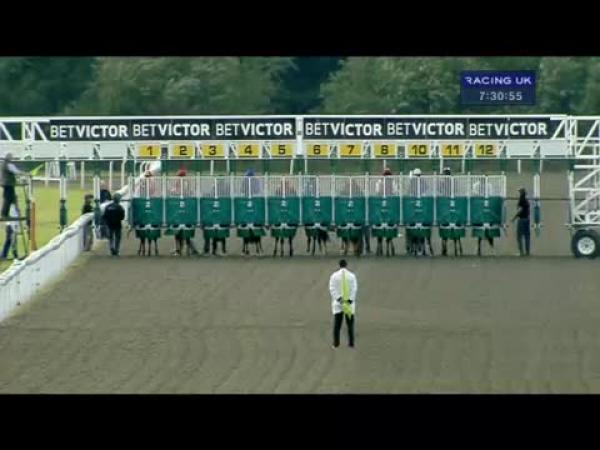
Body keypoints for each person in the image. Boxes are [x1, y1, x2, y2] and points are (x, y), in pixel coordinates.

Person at [328, 259, 358, 349]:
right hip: (349, 304)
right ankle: (351, 343)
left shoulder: (334, 276)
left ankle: (336, 343)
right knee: (350, 325)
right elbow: (354, 288)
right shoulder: (352, 276)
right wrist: (350, 300)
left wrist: (339, 299)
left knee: (337, 325)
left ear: (339, 265)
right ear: (346, 265)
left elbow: (332, 288)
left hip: (338, 304)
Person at [0, 153, 25, 219]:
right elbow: (16, 171)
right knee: (8, 199)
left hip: (5, 184)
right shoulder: (9, 164)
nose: (12, 158)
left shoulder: (3, 164)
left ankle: (9, 213)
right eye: (11, 157)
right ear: (8, 157)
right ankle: (5, 214)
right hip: (9, 184)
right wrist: (25, 173)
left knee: (10, 198)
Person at [512, 187, 531, 256]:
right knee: (527, 236)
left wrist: (514, 218)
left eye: (520, 192)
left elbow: (520, 210)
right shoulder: (526, 201)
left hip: (522, 219)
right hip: (527, 219)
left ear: (521, 193)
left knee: (519, 236)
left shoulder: (521, 200)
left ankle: (521, 252)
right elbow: (527, 210)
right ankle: (527, 252)